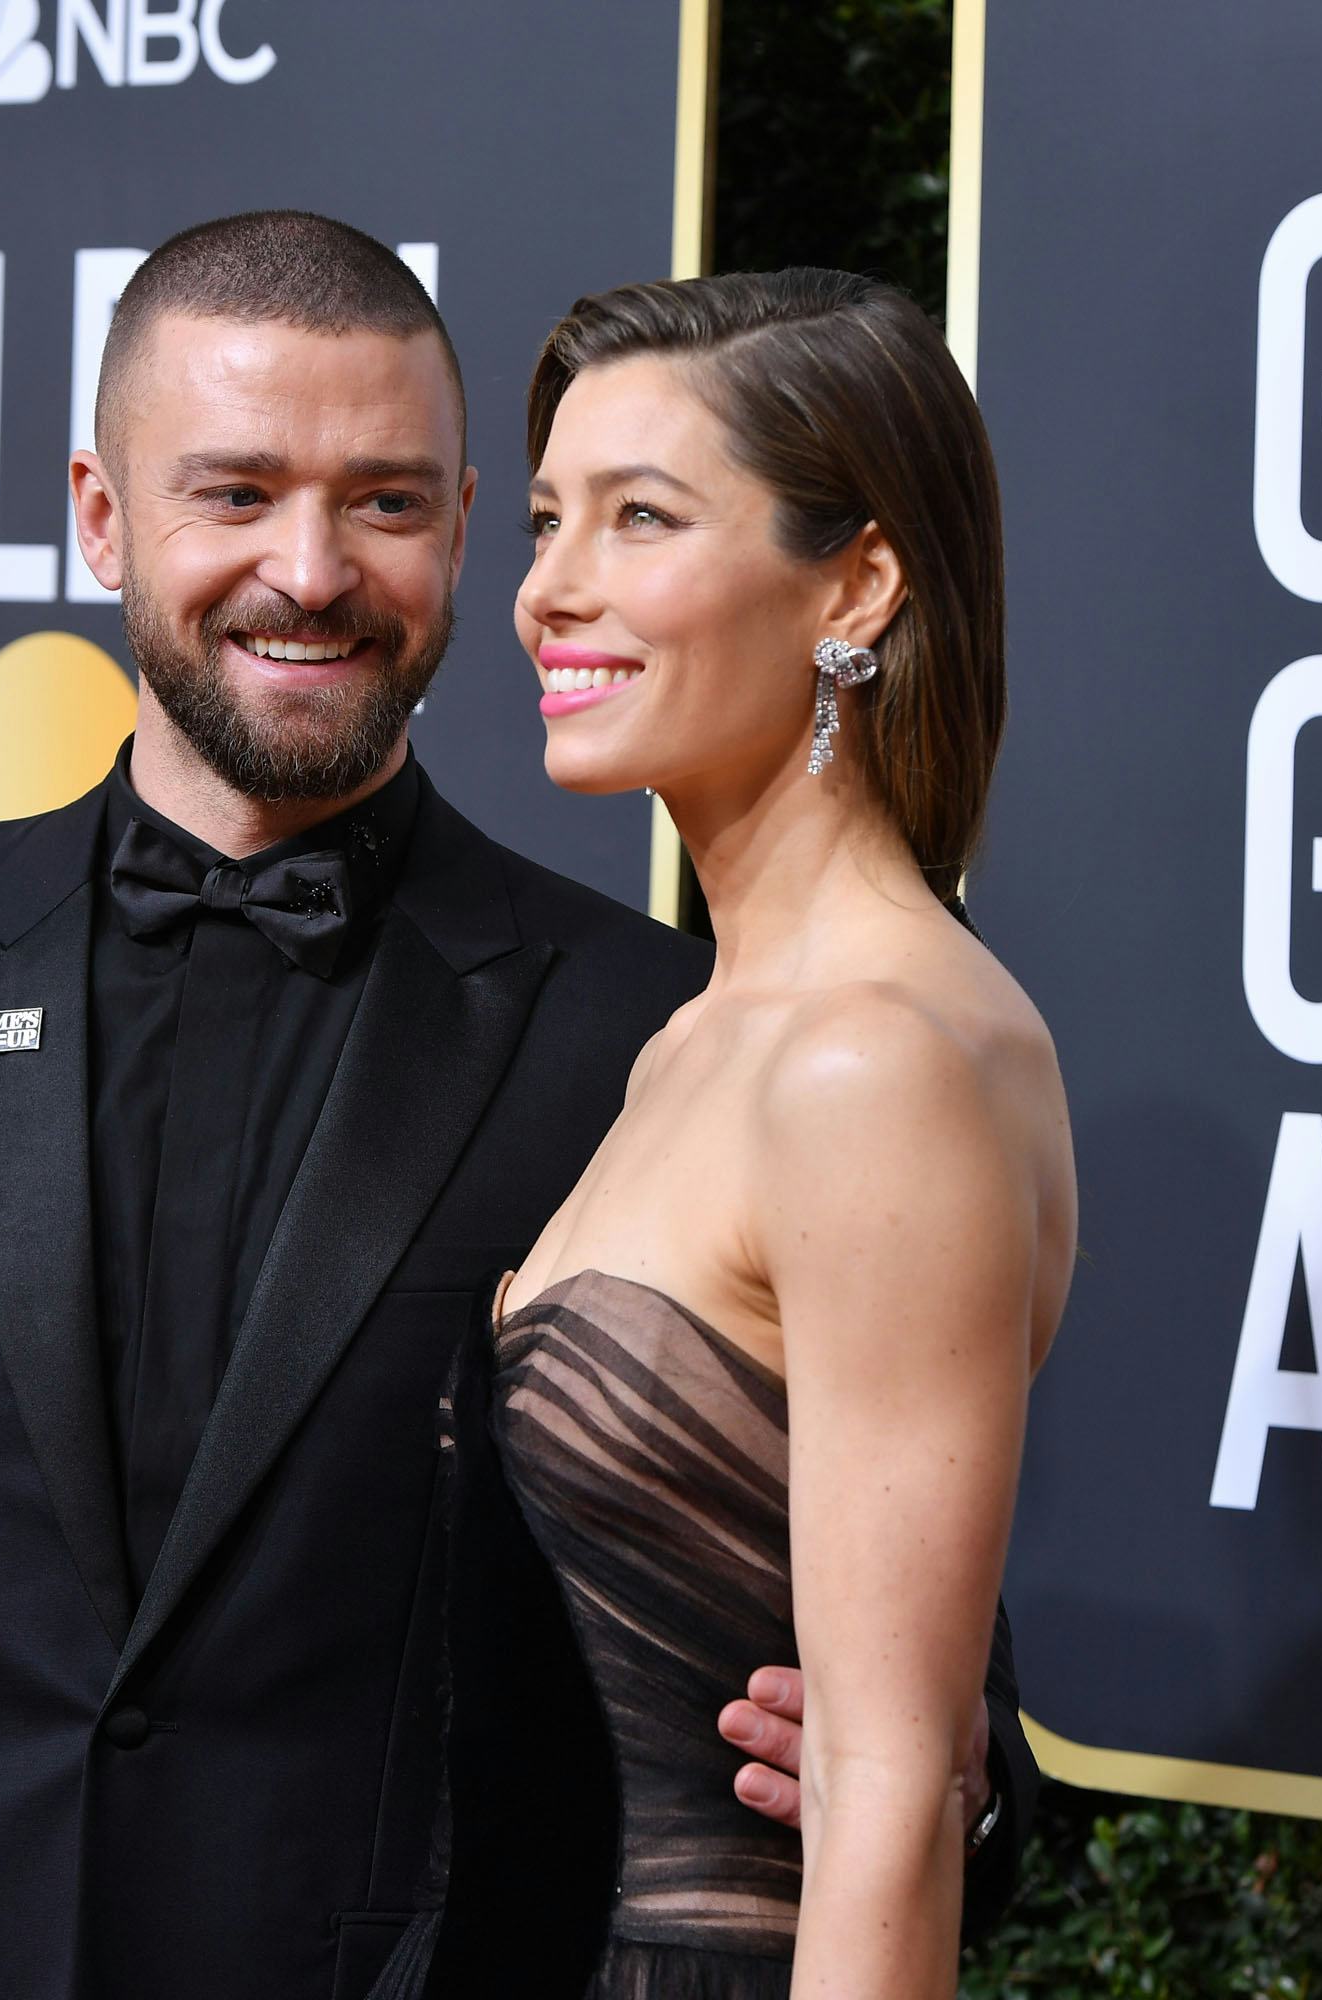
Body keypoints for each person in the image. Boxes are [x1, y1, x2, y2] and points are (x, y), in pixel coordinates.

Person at [0, 214, 1034, 2000]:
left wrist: (938, 1784)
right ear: (103, 516)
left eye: (388, 504)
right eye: (237, 493)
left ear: (465, 521)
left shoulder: (644, 1030)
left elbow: (884, 1652)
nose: (311, 571)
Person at [419, 270, 1077, 1999]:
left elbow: (891, 1799)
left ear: (856, 579)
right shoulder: (700, 1037)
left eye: (644, 521)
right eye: (552, 519)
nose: (555, 588)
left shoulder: (875, 1064)